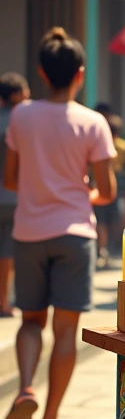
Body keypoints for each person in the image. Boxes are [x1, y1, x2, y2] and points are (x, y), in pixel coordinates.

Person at [2, 28, 117, 419]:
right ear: (80, 75)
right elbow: (106, 192)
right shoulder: (93, 123)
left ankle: (25, 387)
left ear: (40, 72)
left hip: (29, 233)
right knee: (65, 332)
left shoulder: (21, 116)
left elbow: (11, 179)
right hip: (74, 236)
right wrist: (81, 189)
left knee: (31, 321)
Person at [0, 73, 30, 316]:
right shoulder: (23, 123)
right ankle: (5, 302)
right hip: (14, 196)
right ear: (17, 95)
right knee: (9, 252)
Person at [95, 114, 125, 267]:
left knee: (101, 219)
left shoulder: (99, 143)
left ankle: (102, 248)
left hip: (99, 183)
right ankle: (112, 248)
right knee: (116, 218)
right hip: (119, 184)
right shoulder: (124, 146)